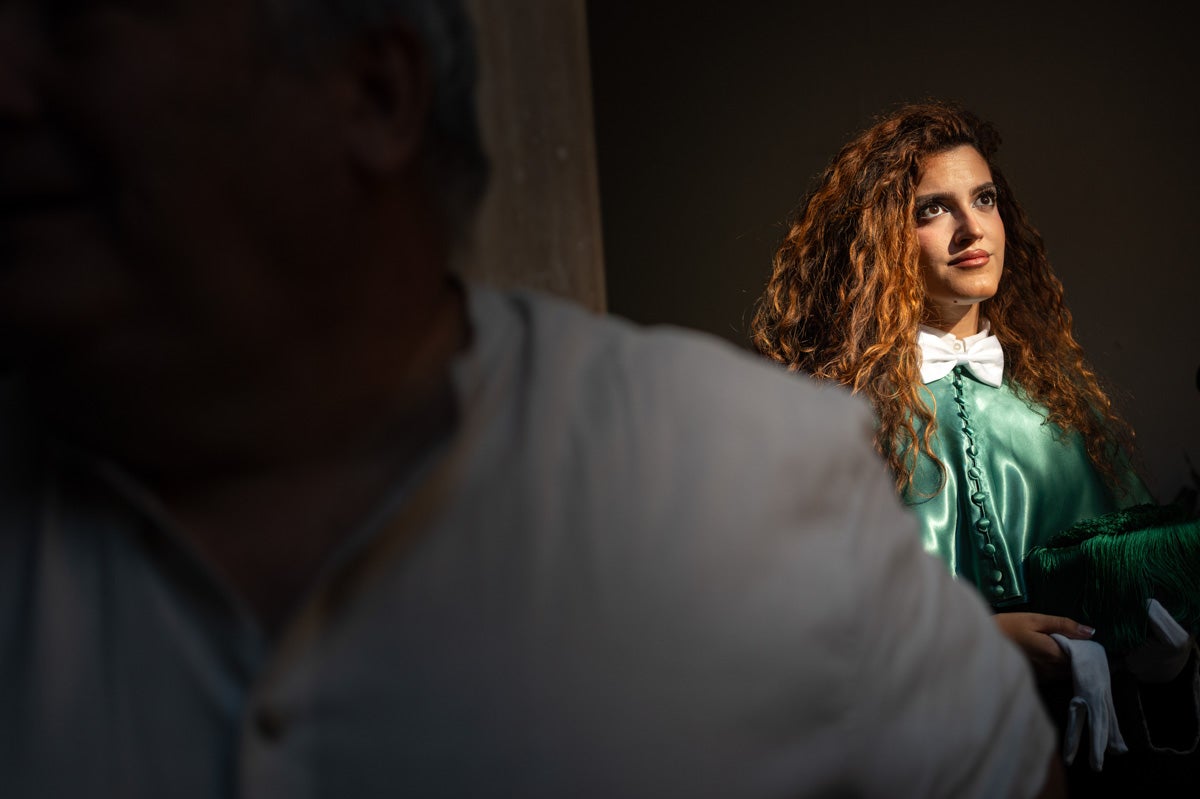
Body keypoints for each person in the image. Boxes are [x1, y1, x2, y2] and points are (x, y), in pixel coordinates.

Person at [0, 6, 1063, 797]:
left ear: (373, 93)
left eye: (81, 17)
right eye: (934, 207)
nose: (7, 80)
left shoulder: (748, 472)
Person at [750, 99, 1197, 791]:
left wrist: (1161, 662)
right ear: (880, 238)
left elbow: (1133, 591)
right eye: (932, 209)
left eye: (983, 199)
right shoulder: (832, 421)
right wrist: (974, 645)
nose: (971, 228)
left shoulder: (1066, 411)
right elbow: (784, 631)